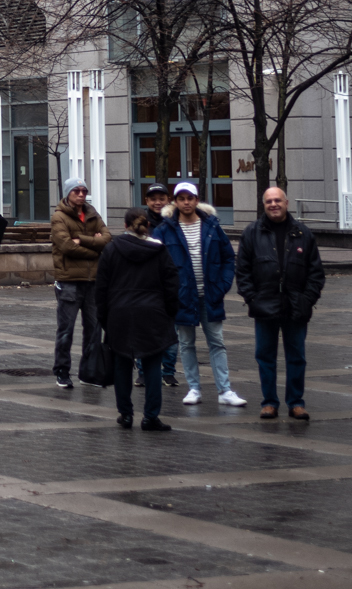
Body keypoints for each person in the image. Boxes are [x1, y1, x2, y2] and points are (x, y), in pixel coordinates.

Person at [235, 186, 326, 419]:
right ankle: (269, 402)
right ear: (263, 204)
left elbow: (316, 273)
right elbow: (242, 271)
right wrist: (252, 298)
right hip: (264, 306)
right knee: (265, 357)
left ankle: (296, 403)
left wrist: (307, 300)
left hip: (296, 306)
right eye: (269, 201)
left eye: (277, 200)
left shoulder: (303, 233)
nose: (273, 204)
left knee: (297, 358)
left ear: (286, 203)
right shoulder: (251, 233)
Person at [160, 181, 246, 407]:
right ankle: (194, 389)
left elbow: (228, 257)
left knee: (217, 342)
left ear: (197, 200)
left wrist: (222, 285)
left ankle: (224, 390)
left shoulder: (212, 226)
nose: (186, 202)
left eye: (190, 198)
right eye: (181, 198)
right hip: (182, 297)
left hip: (210, 295)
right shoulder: (165, 230)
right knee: (186, 343)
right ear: (175, 202)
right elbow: (156, 264)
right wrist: (170, 292)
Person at [97, 207, 180, 430]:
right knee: (152, 363)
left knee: (122, 364)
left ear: (125, 226)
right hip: (153, 313)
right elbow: (172, 284)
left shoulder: (111, 249)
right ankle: (151, 416)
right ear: (148, 225)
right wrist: (170, 312)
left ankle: (125, 414)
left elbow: (101, 288)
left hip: (119, 313)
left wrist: (104, 317)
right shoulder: (159, 250)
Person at [50, 177, 110, 389]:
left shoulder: (92, 213)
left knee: (93, 330)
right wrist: (95, 250)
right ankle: (62, 371)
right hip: (69, 281)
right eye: (76, 191)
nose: (81, 195)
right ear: (68, 193)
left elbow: (107, 239)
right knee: (66, 330)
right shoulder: (59, 217)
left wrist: (83, 239)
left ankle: (88, 372)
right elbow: (67, 247)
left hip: (93, 281)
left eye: (84, 191)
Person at [142, 182, 179, 393]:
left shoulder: (175, 221)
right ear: (147, 201)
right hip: (147, 284)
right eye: (153, 199)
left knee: (172, 330)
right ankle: (142, 371)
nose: (158, 202)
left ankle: (168, 371)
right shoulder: (141, 222)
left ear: (168, 200)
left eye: (161, 198)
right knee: (145, 330)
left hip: (171, 284)